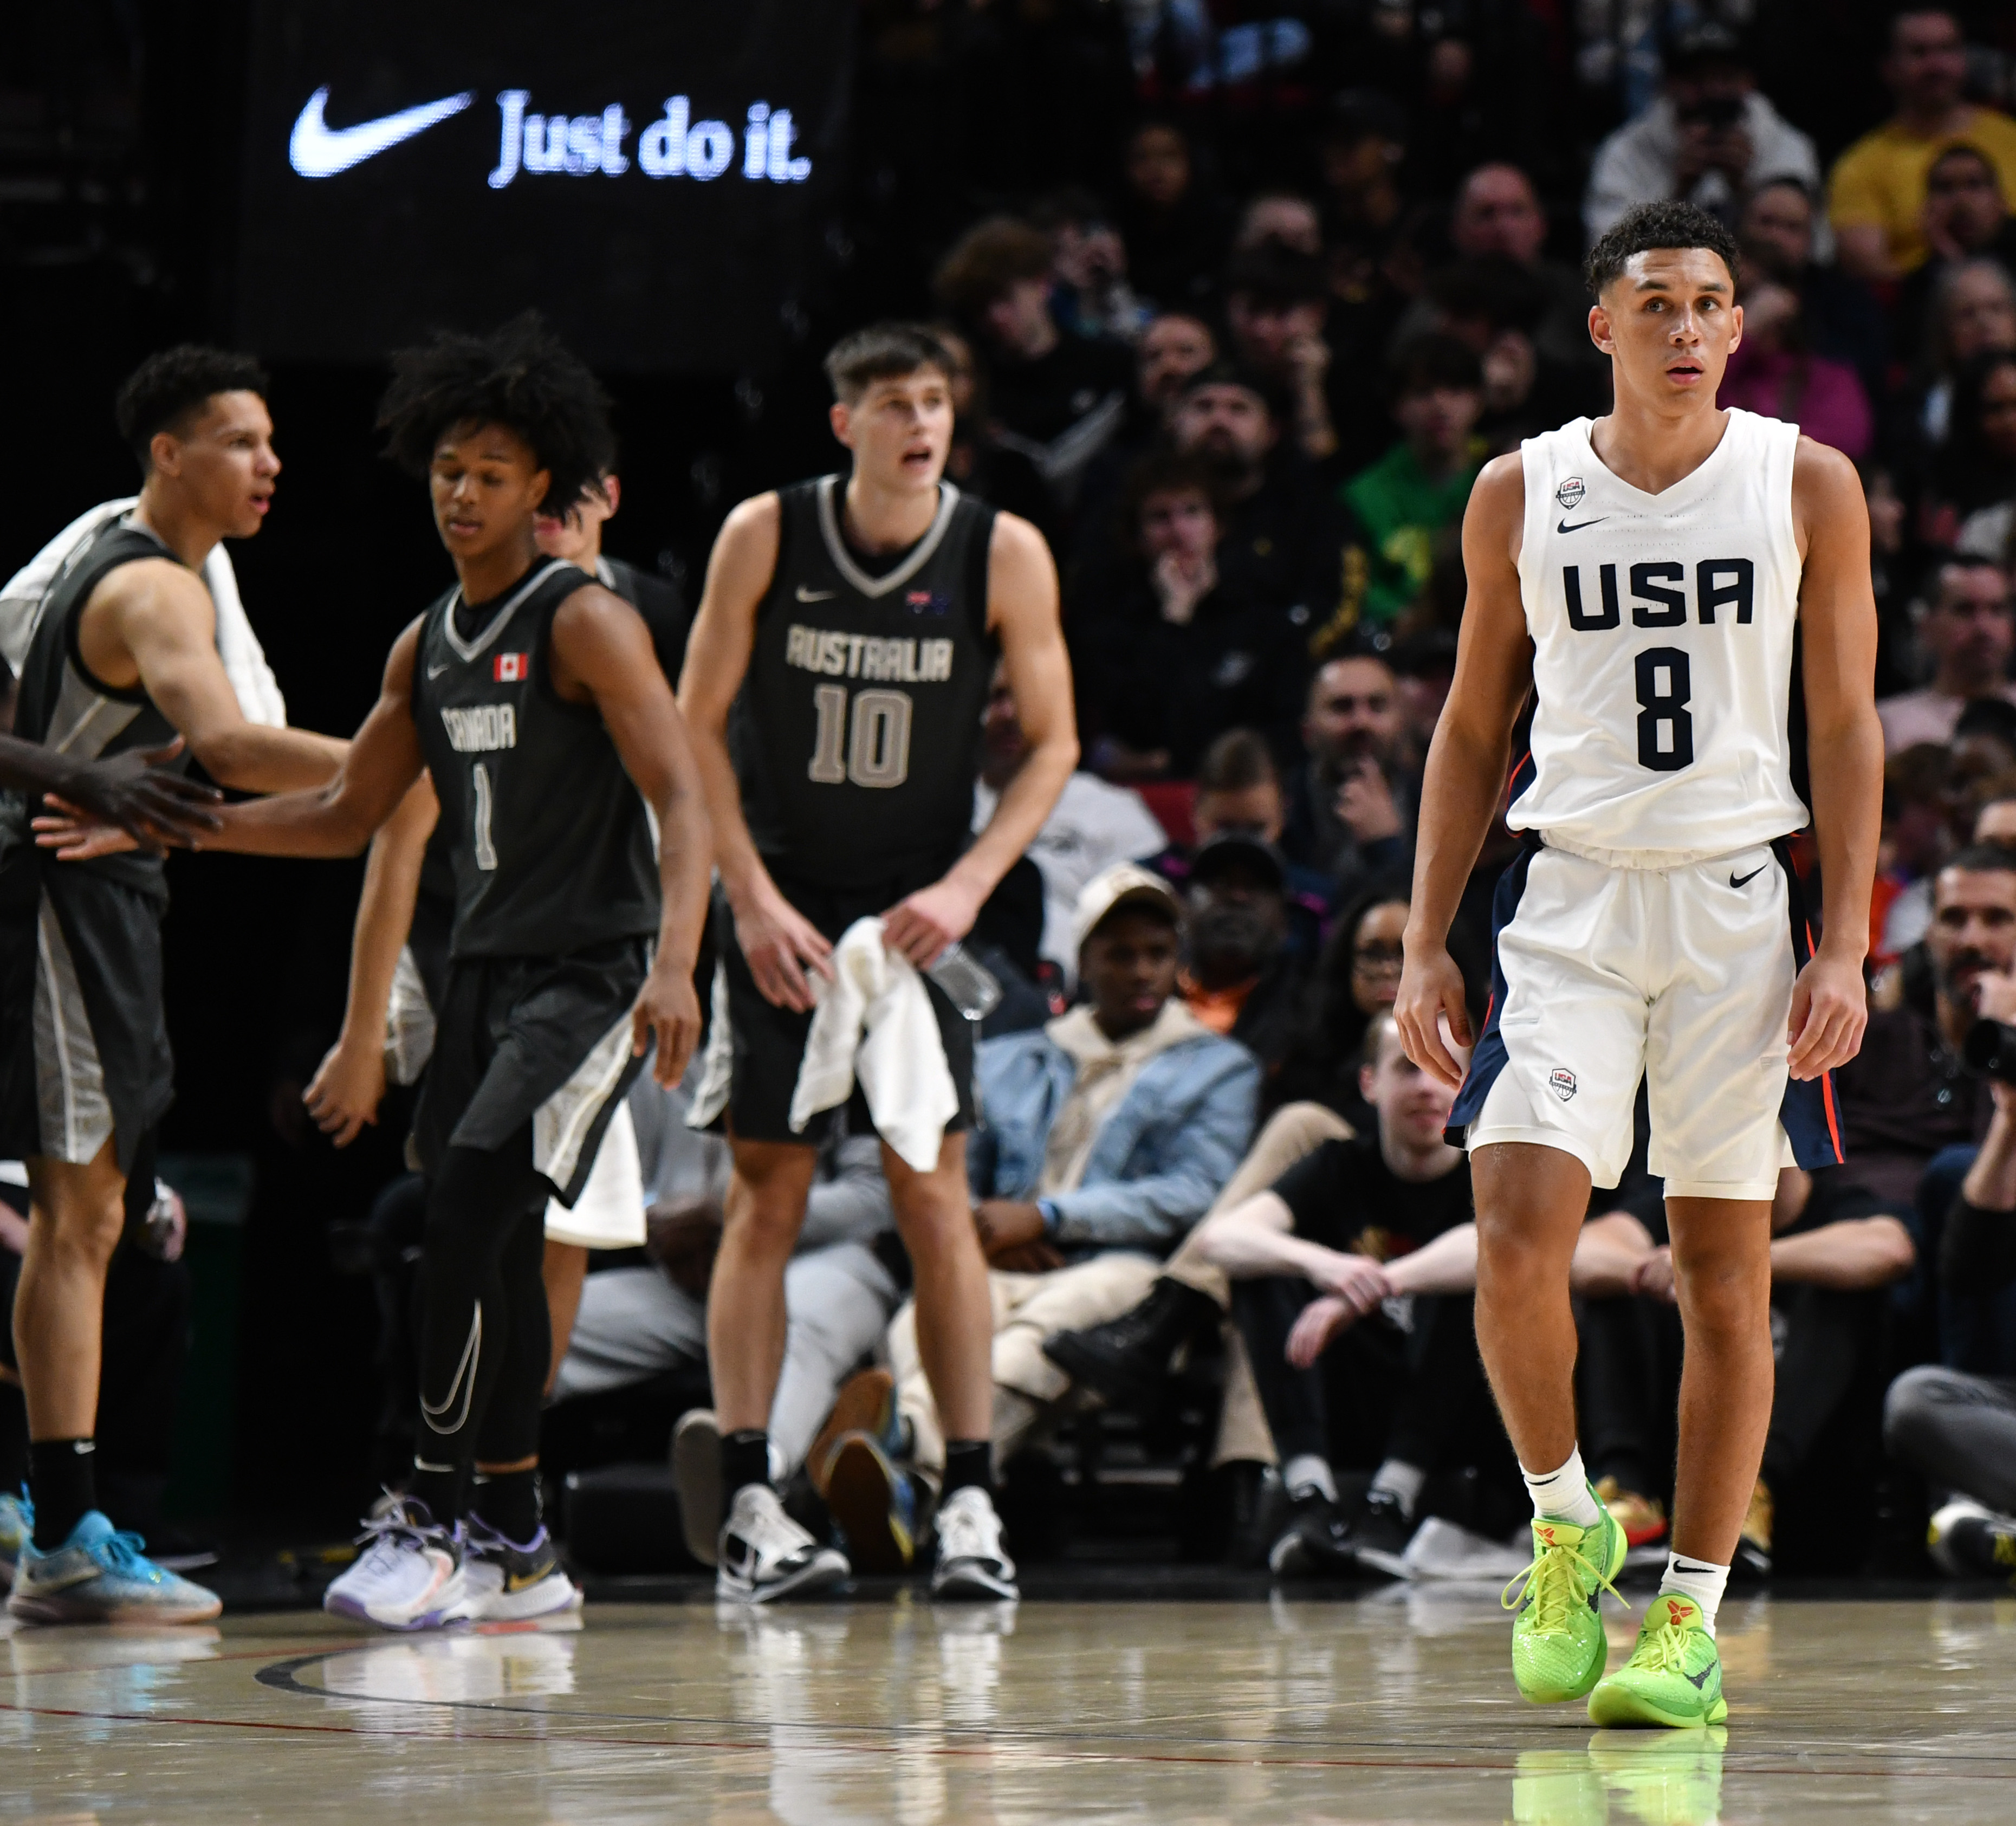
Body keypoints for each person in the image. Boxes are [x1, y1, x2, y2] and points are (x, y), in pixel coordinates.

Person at [41, 315, 717, 1630]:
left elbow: (681, 796)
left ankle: (432, 1512)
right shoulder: (428, 642)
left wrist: (677, 966)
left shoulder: (587, 620)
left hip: (591, 974)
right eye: (447, 469)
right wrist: (164, 820)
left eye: (493, 474)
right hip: (481, 973)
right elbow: (348, 810)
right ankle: (520, 1540)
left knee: (463, 1202)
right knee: (483, 1239)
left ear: (545, 490)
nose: (462, 494)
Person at [1397, 201, 1879, 1726]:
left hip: (1739, 902)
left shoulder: (1806, 480)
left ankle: (1687, 1618)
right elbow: (1473, 726)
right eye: (1656, 302)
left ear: (1741, 329)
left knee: (1724, 1275)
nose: (1685, 328)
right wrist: (1423, 936)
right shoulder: (1517, 491)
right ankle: (1560, 1514)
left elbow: (1848, 723)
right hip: (1571, 900)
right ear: (1600, 326)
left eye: (1711, 303)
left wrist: (1852, 939)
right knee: (1515, 1226)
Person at [677, 322, 1076, 1602]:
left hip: (920, 921)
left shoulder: (1000, 548)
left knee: (933, 1191)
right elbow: (693, 732)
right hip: (785, 907)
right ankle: (749, 1494)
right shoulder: (765, 532)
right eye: (893, 403)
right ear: (843, 421)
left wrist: (967, 884)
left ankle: (968, 1495)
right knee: (767, 1186)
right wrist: (743, 900)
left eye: (936, 404)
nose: (919, 424)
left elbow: (1056, 743)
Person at [0, 346, 354, 1626]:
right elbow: (231, 746)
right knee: (76, 1210)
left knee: (91, 1216)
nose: (270, 465)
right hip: (58, 907)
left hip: (106, 900)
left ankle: (54, 1516)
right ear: (170, 452)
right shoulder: (151, 585)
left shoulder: (131, 565)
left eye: (270, 443)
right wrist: (422, 738)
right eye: (243, 442)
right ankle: (57, 1529)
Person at [829, 864, 1257, 1572]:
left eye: (1157, 952)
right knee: (921, 1320)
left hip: (1125, 1268)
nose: (1141, 970)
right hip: (999, 1252)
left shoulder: (1217, 1067)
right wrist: (978, 1226)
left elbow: (1195, 1189)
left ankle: (904, 1463)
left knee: (1036, 1338)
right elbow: (949, 1172)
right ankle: (902, 1478)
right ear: (1083, 960)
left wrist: (1050, 1217)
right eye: (1120, 953)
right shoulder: (1010, 1057)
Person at [1191, 1013, 1499, 1577]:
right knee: (1263, 1267)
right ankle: (1309, 1496)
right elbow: (1221, 1238)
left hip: (1459, 1411)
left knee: (1479, 1285)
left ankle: (1394, 1499)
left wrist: (1366, 1289)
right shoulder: (1338, 1165)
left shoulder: (1488, 1170)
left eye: (1444, 1069)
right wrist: (1324, 1265)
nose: (1427, 1087)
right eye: (1408, 1068)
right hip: (1351, 1394)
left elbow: (1494, 1245)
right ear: (1369, 1083)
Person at [1073, 450, 1310, 779]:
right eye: (1160, 517)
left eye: (1193, 512)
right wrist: (1175, 617)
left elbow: (1284, 736)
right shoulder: (1110, 632)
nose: (1179, 531)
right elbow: (1138, 725)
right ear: (1138, 538)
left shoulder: (1265, 625)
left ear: (1218, 525)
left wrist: (1168, 759)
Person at [974, 662, 1164, 986]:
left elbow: (1146, 935)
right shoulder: (942, 808)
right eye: (995, 698)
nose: (1008, 713)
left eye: (1022, 695)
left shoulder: (1114, 810)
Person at [931, 218, 1134, 510]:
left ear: (1042, 285)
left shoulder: (1110, 363)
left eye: (1005, 298)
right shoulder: (982, 393)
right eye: (982, 308)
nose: (996, 317)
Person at [1583, 25, 1823, 247]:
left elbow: (1814, 253)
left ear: (1749, 82)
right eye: (1697, 80)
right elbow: (1605, 257)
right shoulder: (1625, 152)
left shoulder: (1788, 146)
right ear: (1670, 84)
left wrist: (1744, 192)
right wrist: (1676, 193)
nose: (1714, 92)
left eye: (1726, 77)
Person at [1827, 8, 2016, 284]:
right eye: (1919, 53)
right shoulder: (1859, 166)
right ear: (1889, 68)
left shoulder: (2009, 138)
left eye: (1947, 49)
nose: (1936, 66)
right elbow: (1867, 273)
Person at [1279, 653, 1414, 901]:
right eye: (1342, 707)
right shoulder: (1280, 808)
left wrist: (1386, 847)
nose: (1361, 722)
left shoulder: (1439, 807)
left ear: (1401, 723)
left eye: (1377, 706)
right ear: (1307, 731)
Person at [1876, 559, 2016, 753]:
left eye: (1997, 610)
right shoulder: (1887, 726)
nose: (1984, 629)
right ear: (1926, 626)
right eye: (1964, 610)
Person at [1892, 143, 2016, 358]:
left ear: (2000, 202)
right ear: (1927, 206)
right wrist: (1951, 262)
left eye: (1974, 185)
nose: (1961, 201)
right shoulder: (1919, 285)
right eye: (1946, 188)